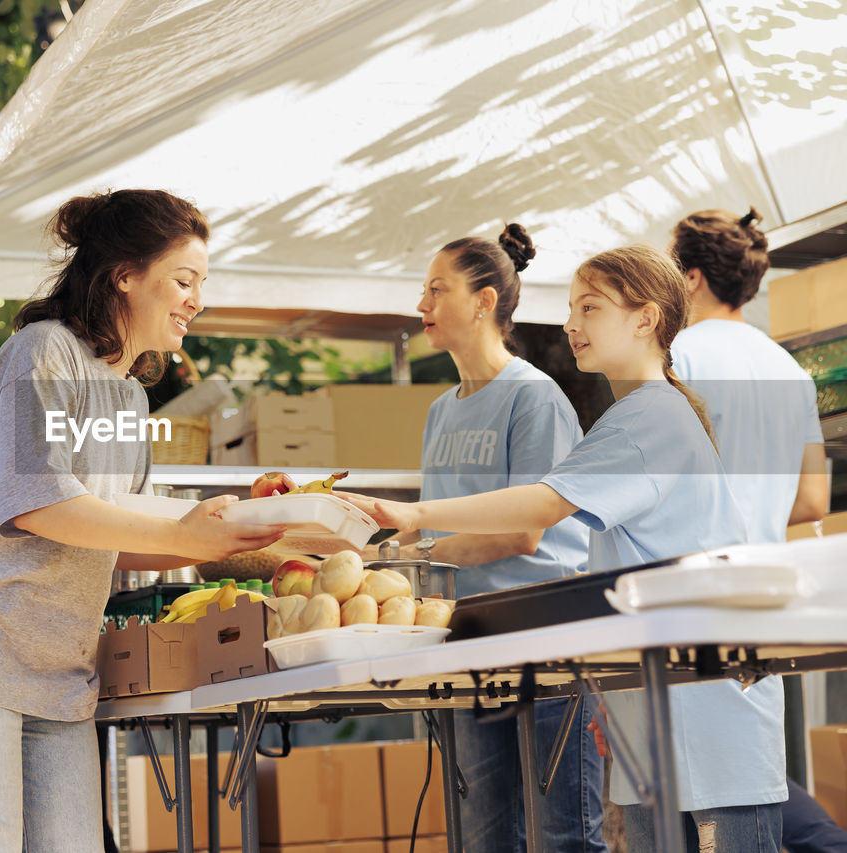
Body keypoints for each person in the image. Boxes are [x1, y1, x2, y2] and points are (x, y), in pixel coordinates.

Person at [0, 189, 286, 852]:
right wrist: (184, 533)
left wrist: (257, 532)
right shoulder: (44, 351)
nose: (196, 299)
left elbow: (120, 533)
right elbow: (41, 502)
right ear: (124, 275)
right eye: (183, 279)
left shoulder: (128, 398)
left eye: (200, 282)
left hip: (59, 680)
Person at [339, 246, 775, 851]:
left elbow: (542, 506)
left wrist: (414, 515)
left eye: (590, 308)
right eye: (571, 307)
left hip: (704, 724)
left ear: (645, 319)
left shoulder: (651, 416)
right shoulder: (637, 414)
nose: (571, 324)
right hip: (657, 724)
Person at [408, 225, 604, 852]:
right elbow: (442, 528)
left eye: (438, 290)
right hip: (468, 635)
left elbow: (522, 531)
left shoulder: (534, 398)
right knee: (481, 835)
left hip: (545, 637)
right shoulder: (442, 409)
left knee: (564, 833)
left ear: (485, 301)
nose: (423, 305)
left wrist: (406, 552)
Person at [667, 207, 828, 850]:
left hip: (684, 605)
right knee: (749, 798)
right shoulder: (789, 370)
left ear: (693, 278)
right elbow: (813, 498)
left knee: (677, 810)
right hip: (760, 610)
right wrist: (754, 507)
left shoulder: (677, 354)